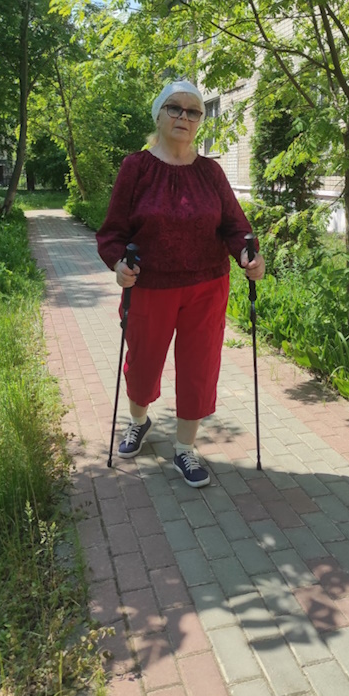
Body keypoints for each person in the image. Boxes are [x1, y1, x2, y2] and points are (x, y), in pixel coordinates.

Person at [96, 79, 265, 487]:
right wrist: (118, 264)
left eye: (193, 111)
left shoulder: (210, 172)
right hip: (148, 287)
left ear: (200, 121)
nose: (184, 117)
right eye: (175, 108)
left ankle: (185, 448)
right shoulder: (136, 168)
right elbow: (113, 231)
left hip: (207, 286)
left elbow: (235, 226)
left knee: (198, 368)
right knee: (142, 364)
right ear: (158, 115)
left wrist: (248, 255)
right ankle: (138, 421)